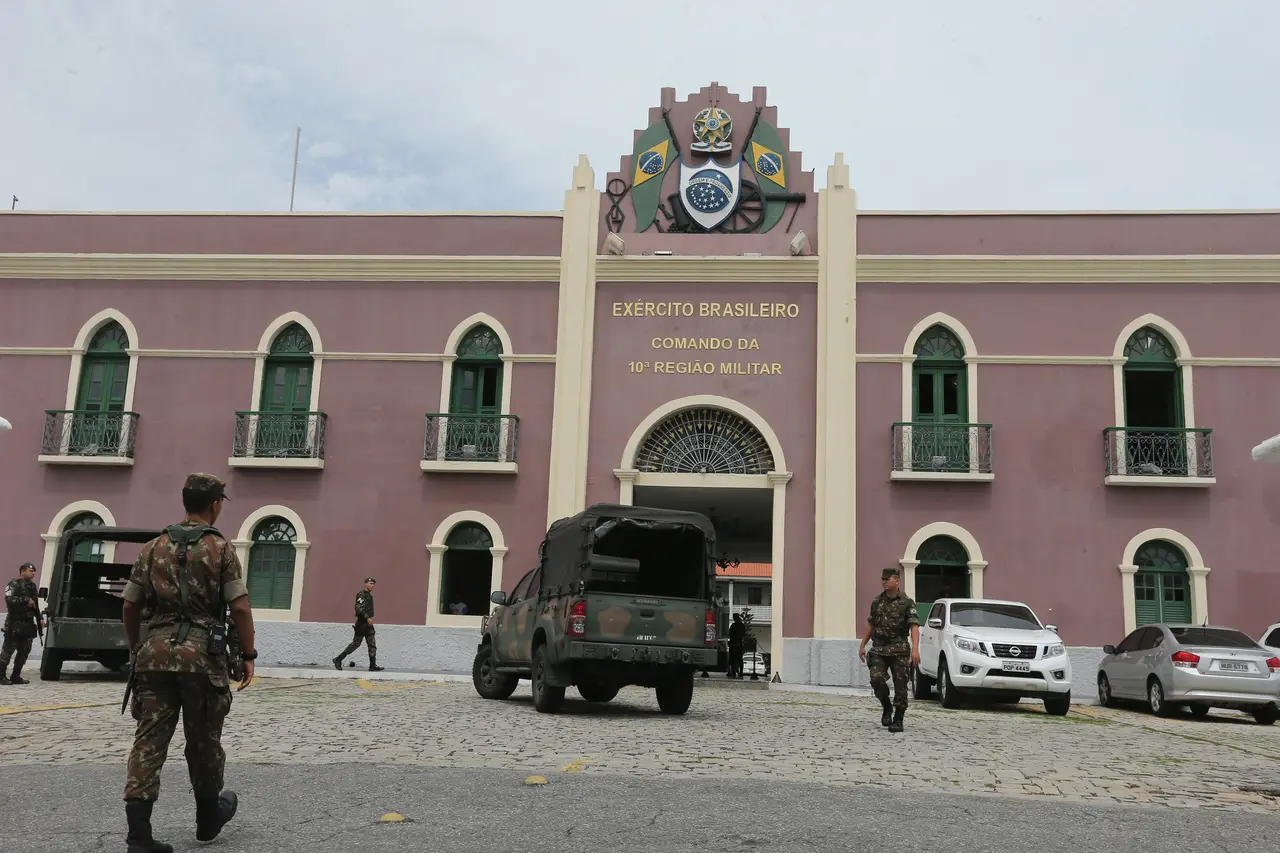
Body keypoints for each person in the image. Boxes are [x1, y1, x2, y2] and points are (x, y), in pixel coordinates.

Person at [120, 473, 257, 853]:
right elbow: (240, 607)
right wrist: (248, 655)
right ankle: (208, 816)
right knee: (204, 741)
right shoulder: (221, 550)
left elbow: (130, 604)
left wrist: (136, 647)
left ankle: (139, 837)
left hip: (154, 655)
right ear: (215, 504)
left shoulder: (151, 548)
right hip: (202, 658)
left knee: (148, 742)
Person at [858, 567, 920, 733]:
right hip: (879, 648)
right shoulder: (877, 601)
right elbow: (871, 624)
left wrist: (915, 649)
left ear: (897, 580)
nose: (884, 582)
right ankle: (886, 706)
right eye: (883, 579)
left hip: (899, 648)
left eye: (888, 579)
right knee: (876, 679)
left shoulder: (907, 602)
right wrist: (862, 644)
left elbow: (914, 626)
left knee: (901, 685)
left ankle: (898, 719)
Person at [1, 561, 42, 685]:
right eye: (30, 570)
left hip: (28, 624)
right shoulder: (14, 584)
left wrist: (40, 618)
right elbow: (9, 599)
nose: (33, 573)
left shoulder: (32, 586)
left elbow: (35, 604)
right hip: (14, 623)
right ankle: (1, 675)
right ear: (22, 571)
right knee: (8, 651)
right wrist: (25, 599)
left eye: (34, 570)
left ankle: (16, 675)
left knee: (24, 651)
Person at [333, 577, 384, 672]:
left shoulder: (369, 596)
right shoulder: (361, 595)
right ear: (365, 584)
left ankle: (372, 665)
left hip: (368, 624)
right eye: (370, 583)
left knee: (372, 644)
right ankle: (338, 659)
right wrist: (367, 617)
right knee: (355, 644)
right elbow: (359, 608)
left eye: (373, 584)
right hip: (361, 623)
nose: (372, 585)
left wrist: (369, 619)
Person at [727, 612, 745, 678]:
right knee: (740, 659)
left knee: (733, 659)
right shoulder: (742, 625)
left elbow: (730, 634)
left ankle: (733, 672)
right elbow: (743, 634)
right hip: (739, 644)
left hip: (733, 644)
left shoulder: (733, 625)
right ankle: (741, 672)